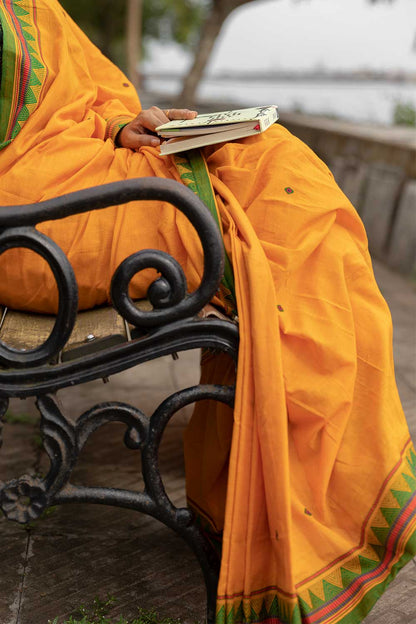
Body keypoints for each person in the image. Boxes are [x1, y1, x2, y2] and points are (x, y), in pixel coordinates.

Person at [0, 1, 415, 622]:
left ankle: (290, 488)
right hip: (30, 222)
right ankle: (301, 502)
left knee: (270, 164)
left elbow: (75, 94)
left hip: (60, 187)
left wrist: (120, 127)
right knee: (272, 221)